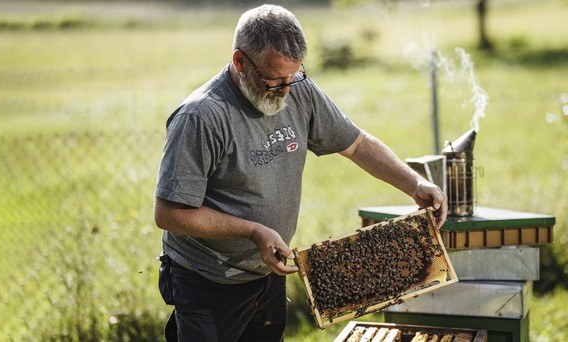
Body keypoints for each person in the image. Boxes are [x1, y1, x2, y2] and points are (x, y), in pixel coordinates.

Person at [154, 4, 447, 341]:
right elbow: (170, 213)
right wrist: (254, 231)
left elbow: (356, 143)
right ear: (240, 62)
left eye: (294, 76)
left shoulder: (299, 90)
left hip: (268, 274)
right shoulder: (201, 117)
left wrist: (415, 183)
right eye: (274, 80)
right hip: (208, 282)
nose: (287, 90)